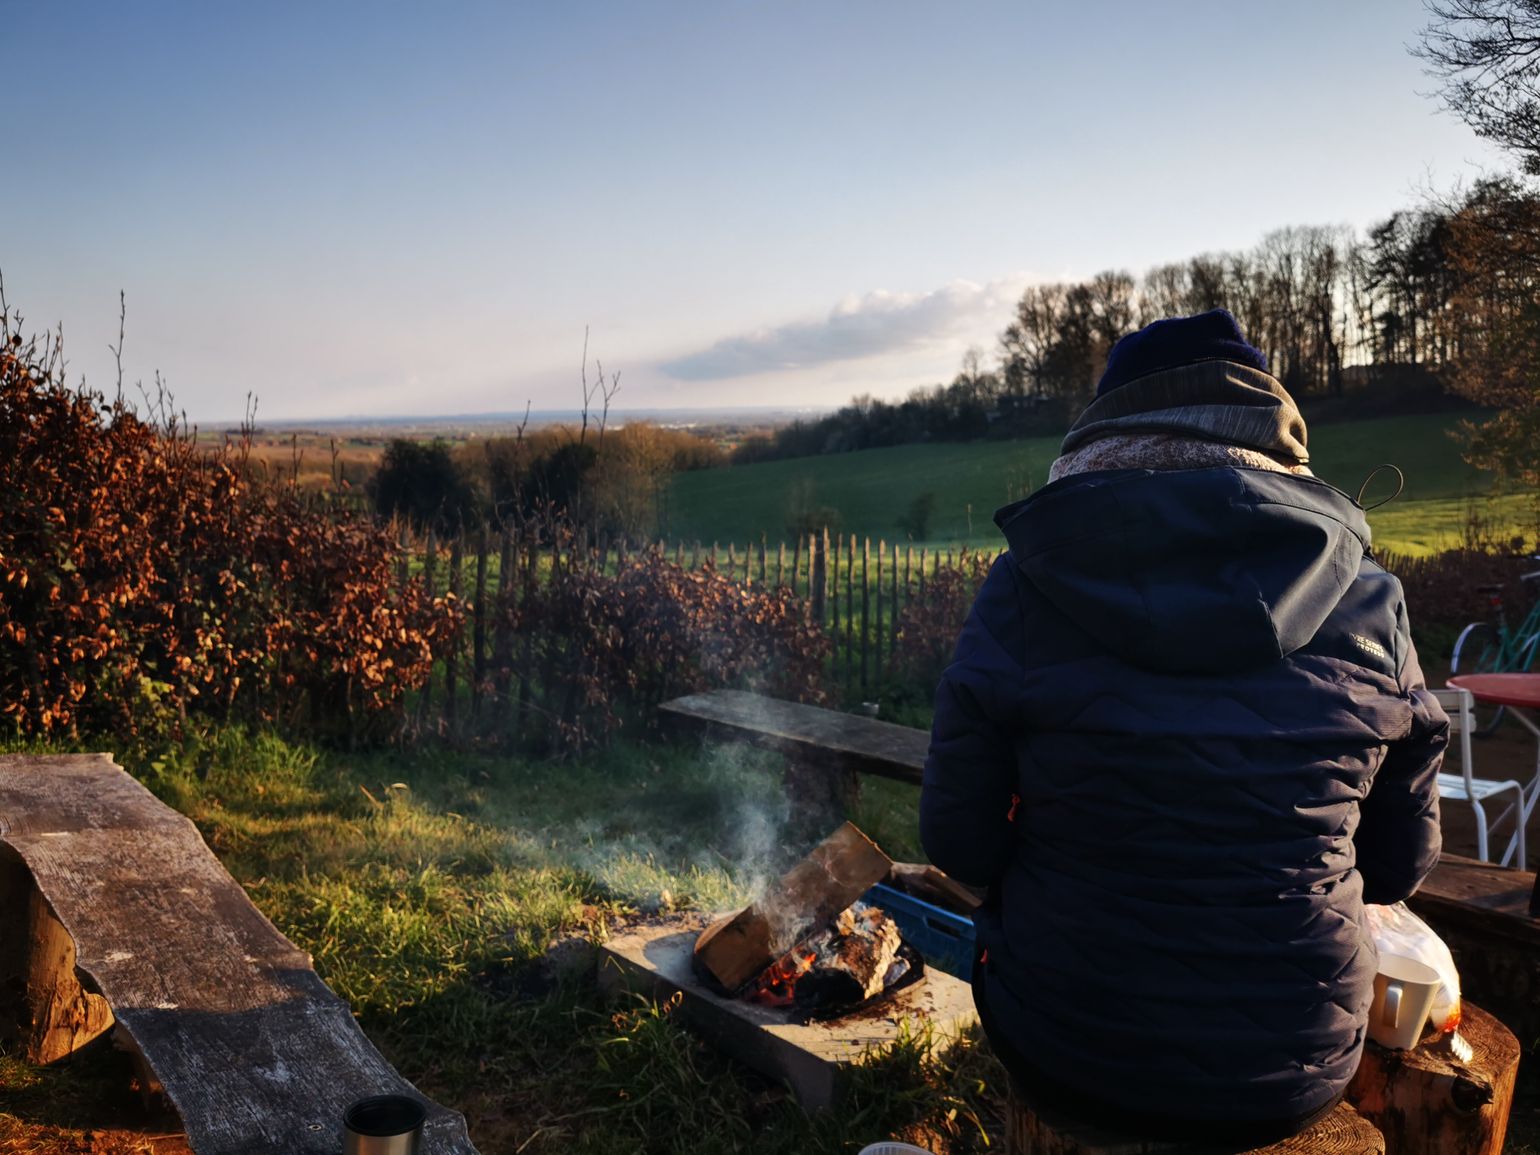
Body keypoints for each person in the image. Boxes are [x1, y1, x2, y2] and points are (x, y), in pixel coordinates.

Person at [919, 310, 1445, 1146]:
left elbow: (959, 840)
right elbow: (1394, 865)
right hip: (1295, 1057)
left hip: (1063, 1045)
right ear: (1278, 433)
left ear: (1104, 430)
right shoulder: (1372, 600)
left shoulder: (1024, 587)